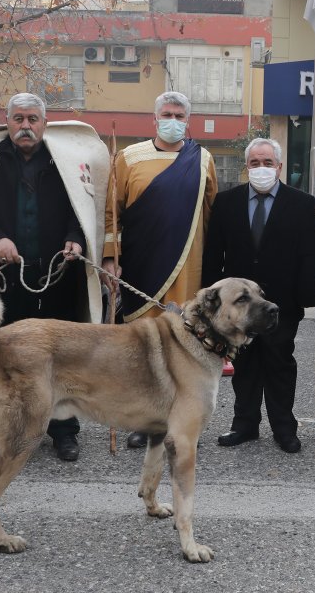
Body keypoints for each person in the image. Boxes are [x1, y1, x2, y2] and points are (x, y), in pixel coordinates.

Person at [0, 92, 98, 461]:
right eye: (19, 119)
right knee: (3, 355)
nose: (26, 126)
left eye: (33, 119)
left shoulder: (65, 162)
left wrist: (75, 239)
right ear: (7, 121)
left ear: (44, 123)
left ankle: (63, 431)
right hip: (3, 279)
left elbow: (82, 205)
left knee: (60, 358)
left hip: (55, 276)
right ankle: (2, 431)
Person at [102, 91, 218, 449]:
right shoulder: (128, 157)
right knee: (142, 349)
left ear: (189, 121)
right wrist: (109, 257)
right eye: (167, 113)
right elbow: (111, 213)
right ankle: (143, 420)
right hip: (140, 267)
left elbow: (212, 215)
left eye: (180, 115)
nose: (173, 120)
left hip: (189, 267)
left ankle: (181, 421)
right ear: (154, 119)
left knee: (184, 350)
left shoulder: (203, 160)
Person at [205, 138, 315, 454]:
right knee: (244, 364)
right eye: (255, 163)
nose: (261, 169)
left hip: (282, 303)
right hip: (238, 307)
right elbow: (214, 253)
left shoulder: (301, 203)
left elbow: (311, 253)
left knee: (279, 362)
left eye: (267, 163)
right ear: (247, 166)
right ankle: (244, 425)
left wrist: (306, 297)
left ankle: (284, 429)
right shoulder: (226, 202)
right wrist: (213, 301)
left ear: (279, 167)